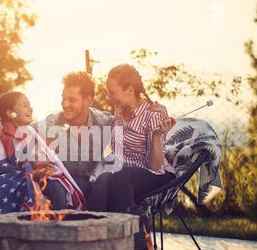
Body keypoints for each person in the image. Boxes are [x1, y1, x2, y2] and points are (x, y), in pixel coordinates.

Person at [34, 71, 174, 202]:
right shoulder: (53, 122)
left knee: (99, 185)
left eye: (71, 100)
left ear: (88, 100)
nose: (65, 104)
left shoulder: (105, 122)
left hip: (85, 182)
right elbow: (24, 130)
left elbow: (135, 121)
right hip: (57, 180)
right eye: (63, 99)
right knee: (59, 189)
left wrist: (162, 115)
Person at [88, 64, 177, 212]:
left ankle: (127, 230)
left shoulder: (153, 114)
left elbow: (155, 167)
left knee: (122, 178)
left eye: (112, 93)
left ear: (129, 90)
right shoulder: (120, 110)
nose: (109, 98)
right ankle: (93, 228)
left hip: (156, 175)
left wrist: (156, 135)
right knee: (103, 180)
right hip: (126, 172)